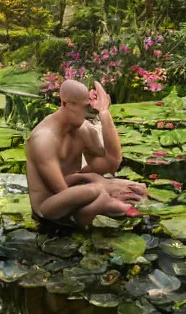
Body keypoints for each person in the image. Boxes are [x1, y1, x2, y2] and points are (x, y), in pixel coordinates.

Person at [25, 79, 147, 227]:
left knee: (137, 188)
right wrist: (99, 183)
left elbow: (112, 162)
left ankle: (100, 204)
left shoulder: (83, 130)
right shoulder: (43, 139)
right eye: (83, 108)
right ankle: (102, 204)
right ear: (65, 104)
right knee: (95, 189)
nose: (86, 113)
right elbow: (60, 190)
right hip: (49, 206)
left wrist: (104, 112)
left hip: (78, 192)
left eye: (88, 107)